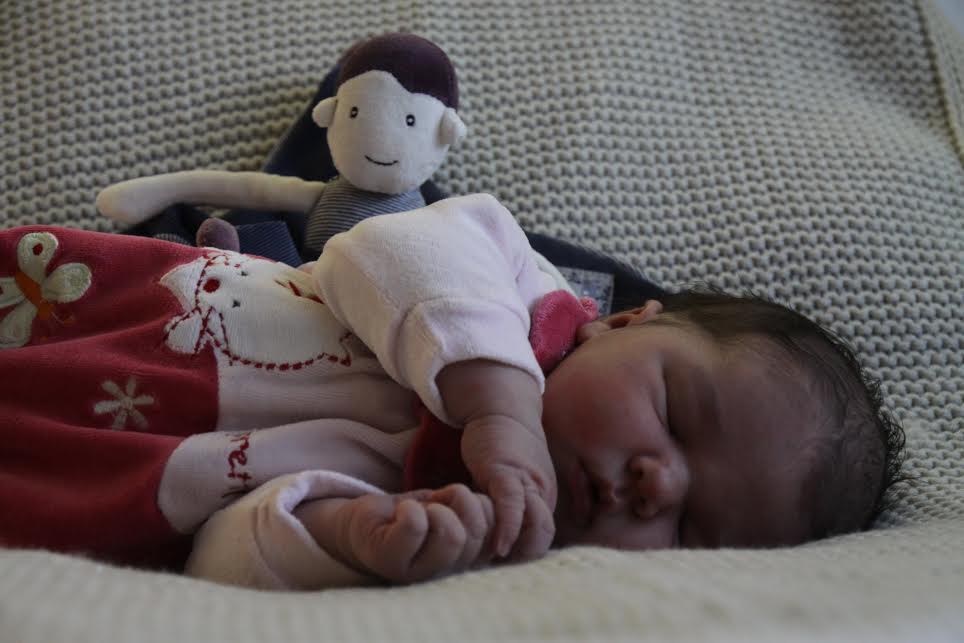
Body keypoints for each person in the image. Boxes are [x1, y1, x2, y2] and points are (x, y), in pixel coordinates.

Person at [0, 194, 904, 587]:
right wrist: (499, 403)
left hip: (79, 480)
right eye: (674, 413)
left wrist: (350, 538)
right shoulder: (518, 291)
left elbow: (222, 556)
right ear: (623, 322)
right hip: (88, 317)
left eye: (692, 530)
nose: (655, 483)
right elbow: (378, 247)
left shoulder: (477, 540)